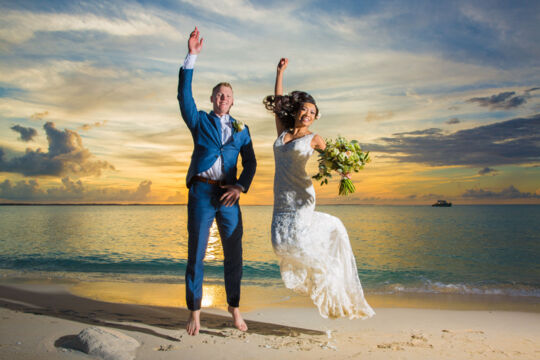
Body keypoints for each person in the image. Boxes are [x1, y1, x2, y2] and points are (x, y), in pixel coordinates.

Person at [263, 58, 375, 319]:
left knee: (300, 242)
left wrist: (344, 170)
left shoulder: (314, 138)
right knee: (280, 244)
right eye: (304, 110)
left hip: (302, 198)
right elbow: (279, 102)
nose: (308, 115)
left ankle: (327, 272)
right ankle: (322, 269)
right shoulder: (282, 132)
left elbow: (334, 158)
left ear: (315, 117)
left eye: (312, 113)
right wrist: (279, 72)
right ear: (297, 111)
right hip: (281, 199)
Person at [178, 27, 257, 335]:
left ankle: (234, 308)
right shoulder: (199, 120)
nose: (223, 98)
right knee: (196, 253)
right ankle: (195, 312)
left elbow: (250, 162)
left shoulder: (242, 129)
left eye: (228, 95)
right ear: (212, 99)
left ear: (232, 102)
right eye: (219, 94)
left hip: (229, 197)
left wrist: (240, 187)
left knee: (234, 254)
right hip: (200, 193)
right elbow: (183, 96)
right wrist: (191, 56)